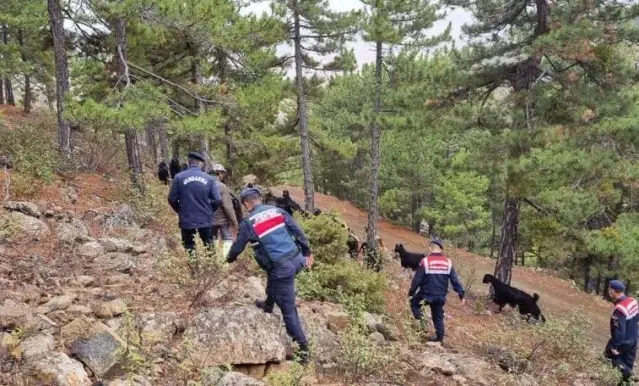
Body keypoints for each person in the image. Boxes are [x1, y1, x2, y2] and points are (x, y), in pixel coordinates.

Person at [226, 186, 314, 364]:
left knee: (288, 310)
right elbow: (297, 230)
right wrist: (307, 252)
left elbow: (238, 246)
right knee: (273, 278)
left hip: (282, 268)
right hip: (296, 260)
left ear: (247, 204)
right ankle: (267, 304)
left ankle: (304, 351)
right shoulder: (277, 211)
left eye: (244, 205)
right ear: (259, 199)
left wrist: (229, 258)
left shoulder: (249, 222)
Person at [168, 152, 221, 266]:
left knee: (189, 245)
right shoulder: (209, 179)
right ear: (200, 164)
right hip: (205, 218)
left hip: (186, 217)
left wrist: (180, 210)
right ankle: (213, 269)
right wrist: (209, 210)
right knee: (208, 243)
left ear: (188, 162)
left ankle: (194, 269)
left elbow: (172, 199)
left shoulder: (179, 177)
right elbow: (217, 200)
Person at [408, 238, 465, 343]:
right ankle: (439, 337)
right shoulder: (448, 262)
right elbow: (455, 280)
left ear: (430, 248)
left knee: (414, 304)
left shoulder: (425, 261)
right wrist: (461, 294)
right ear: (441, 249)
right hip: (440, 296)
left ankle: (423, 325)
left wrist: (411, 292)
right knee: (438, 316)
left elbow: (417, 279)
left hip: (426, 295)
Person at [605, 280, 638, 384]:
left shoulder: (620, 309)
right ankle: (627, 381)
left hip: (623, 341)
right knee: (628, 363)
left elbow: (619, 332)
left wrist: (614, 347)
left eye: (610, 289)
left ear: (612, 291)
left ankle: (631, 376)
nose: (609, 292)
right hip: (634, 339)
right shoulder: (632, 301)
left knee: (610, 358)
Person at [209, 164, 239, 258]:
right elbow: (228, 207)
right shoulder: (222, 187)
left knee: (213, 238)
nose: (223, 176)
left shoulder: (204, 185)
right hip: (223, 219)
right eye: (222, 173)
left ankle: (214, 260)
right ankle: (225, 262)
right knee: (227, 239)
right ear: (219, 174)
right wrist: (235, 223)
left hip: (208, 219)